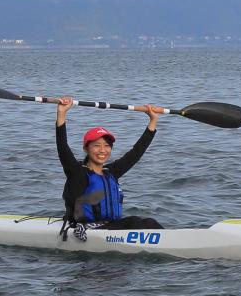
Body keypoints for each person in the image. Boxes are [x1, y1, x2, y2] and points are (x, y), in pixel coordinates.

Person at [54, 96, 165, 233]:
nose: (102, 150)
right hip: (86, 228)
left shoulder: (110, 172)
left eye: (107, 146)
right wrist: (61, 113)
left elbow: (136, 153)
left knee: (149, 222)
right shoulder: (77, 172)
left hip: (110, 225)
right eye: (97, 146)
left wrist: (153, 120)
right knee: (134, 222)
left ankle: (173, 241)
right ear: (86, 149)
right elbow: (62, 148)